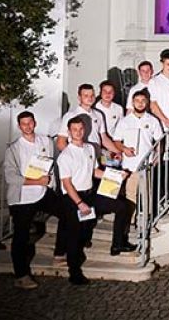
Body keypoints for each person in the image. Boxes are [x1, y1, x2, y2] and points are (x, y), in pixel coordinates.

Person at [57, 116, 134, 285]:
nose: (78, 132)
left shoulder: (89, 149)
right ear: (69, 132)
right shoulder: (65, 156)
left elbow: (95, 172)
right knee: (75, 235)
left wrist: (116, 176)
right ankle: (74, 272)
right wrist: (79, 203)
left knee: (120, 206)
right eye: (74, 130)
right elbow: (67, 183)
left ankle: (118, 244)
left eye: (80, 129)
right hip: (73, 198)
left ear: (84, 130)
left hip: (90, 193)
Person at [3, 110, 60, 289]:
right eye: (23, 124)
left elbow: (51, 165)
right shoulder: (13, 148)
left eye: (30, 122)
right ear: (19, 126)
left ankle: (61, 253)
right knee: (21, 235)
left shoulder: (47, 142)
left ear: (34, 123)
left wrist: (50, 183)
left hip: (43, 191)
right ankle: (21, 275)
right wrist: (36, 180)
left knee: (68, 213)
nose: (27, 126)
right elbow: (11, 177)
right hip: (22, 198)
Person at [114, 89, 165, 220]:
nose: (140, 103)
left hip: (146, 164)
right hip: (129, 166)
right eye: (137, 101)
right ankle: (130, 222)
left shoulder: (153, 120)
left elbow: (159, 140)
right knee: (130, 195)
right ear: (133, 102)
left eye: (143, 101)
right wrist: (124, 149)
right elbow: (117, 141)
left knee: (147, 194)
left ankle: (147, 221)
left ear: (147, 102)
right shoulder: (125, 121)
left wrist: (158, 156)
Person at [58, 84, 121, 159]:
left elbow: (104, 139)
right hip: (80, 158)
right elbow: (61, 142)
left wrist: (118, 152)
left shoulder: (98, 114)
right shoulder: (70, 116)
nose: (90, 98)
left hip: (96, 157)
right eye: (86, 96)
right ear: (79, 97)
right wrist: (73, 157)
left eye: (92, 95)